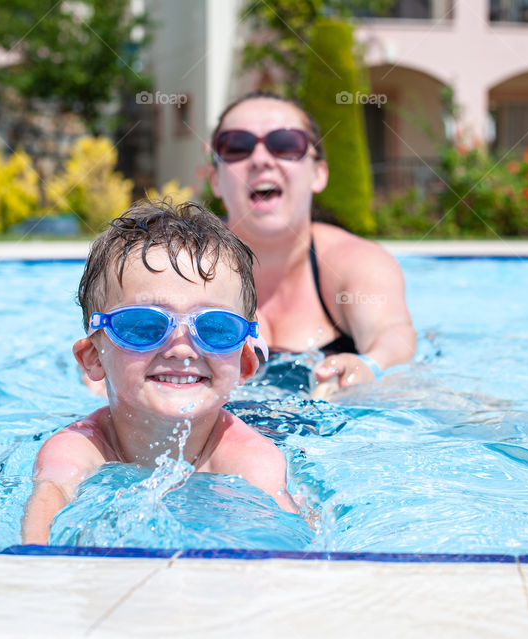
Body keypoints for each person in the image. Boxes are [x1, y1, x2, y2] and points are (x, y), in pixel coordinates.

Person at [21, 200, 297, 545]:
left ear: (244, 364)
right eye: (143, 325)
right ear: (93, 357)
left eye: (215, 328)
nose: (181, 349)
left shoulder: (251, 461)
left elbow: (292, 550)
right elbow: (49, 504)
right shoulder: (80, 447)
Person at [209, 91, 416, 392]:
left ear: (318, 173)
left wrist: (368, 366)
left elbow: (392, 334)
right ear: (216, 179)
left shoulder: (354, 262)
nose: (261, 159)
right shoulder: (187, 268)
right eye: (237, 146)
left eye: (285, 144)